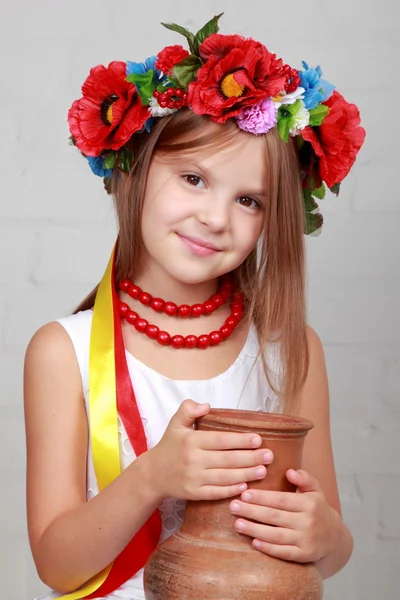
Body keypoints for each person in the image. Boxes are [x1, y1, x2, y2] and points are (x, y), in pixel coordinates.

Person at [23, 13, 366, 600]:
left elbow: (330, 547)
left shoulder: (289, 348)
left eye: (250, 200)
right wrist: (154, 477)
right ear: (134, 172)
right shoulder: (64, 352)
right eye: (193, 178)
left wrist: (325, 535)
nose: (215, 217)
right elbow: (57, 567)